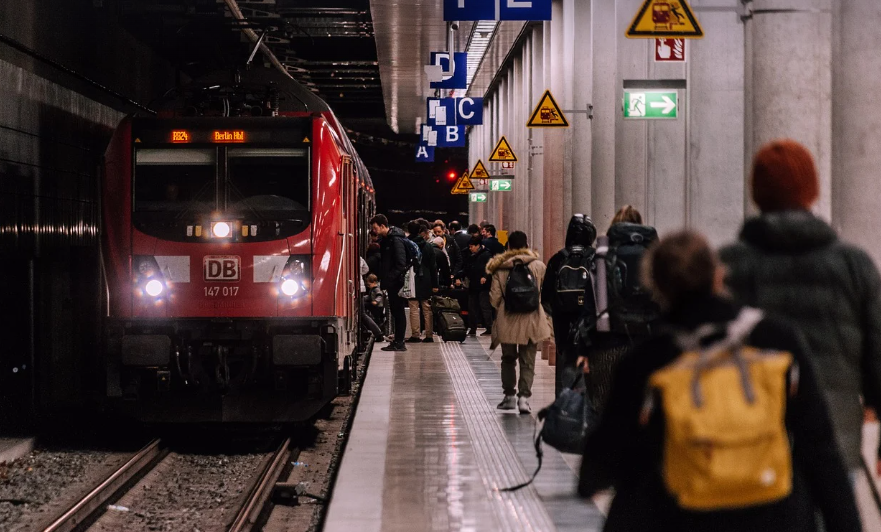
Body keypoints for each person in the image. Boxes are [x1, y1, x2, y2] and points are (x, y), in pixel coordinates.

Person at [579, 230, 861, 532]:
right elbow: (820, 448)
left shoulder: (647, 360)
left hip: (680, 516)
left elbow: (605, 458)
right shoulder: (776, 339)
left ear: (656, 286)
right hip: (775, 515)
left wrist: (590, 481)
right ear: (718, 275)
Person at [720, 139, 881, 481]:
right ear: (812, 192)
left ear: (757, 193)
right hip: (834, 443)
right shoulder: (854, 265)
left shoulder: (730, 266)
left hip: (748, 442)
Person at [576, 205, 655, 416]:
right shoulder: (655, 257)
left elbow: (591, 306)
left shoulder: (602, 257)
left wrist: (583, 350)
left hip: (607, 345)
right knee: (643, 411)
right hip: (648, 347)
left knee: (604, 411)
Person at [487, 230, 552, 414]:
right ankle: (524, 399)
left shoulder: (500, 268)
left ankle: (509, 397)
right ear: (526, 245)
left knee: (508, 359)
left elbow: (494, 298)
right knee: (528, 360)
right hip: (532, 319)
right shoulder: (538, 266)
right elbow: (544, 294)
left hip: (507, 320)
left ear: (508, 246)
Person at [542, 214, 598, 396]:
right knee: (591, 368)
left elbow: (546, 297)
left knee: (566, 365)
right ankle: (586, 410)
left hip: (563, 325)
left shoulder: (558, 259)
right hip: (591, 325)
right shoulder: (596, 259)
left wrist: (559, 313)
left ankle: (565, 409)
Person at [370, 214, 409, 351]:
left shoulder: (395, 240)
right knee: (396, 311)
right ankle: (398, 341)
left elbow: (400, 263)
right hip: (392, 282)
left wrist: (390, 279)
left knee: (398, 312)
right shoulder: (387, 240)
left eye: (375, 228)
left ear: (382, 226)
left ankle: (400, 343)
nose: (374, 231)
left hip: (396, 282)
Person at [406, 221, 438, 343]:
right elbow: (433, 267)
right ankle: (429, 335)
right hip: (426, 279)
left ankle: (415, 335)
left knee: (413, 307)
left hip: (411, 279)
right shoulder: (428, 246)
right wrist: (435, 284)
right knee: (426, 308)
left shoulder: (406, 244)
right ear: (420, 231)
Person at [461, 236, 494, 336]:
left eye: (472, 247)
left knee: (485, 306)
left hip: (483, 286)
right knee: (472, 307)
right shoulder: (472, 255)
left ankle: (489, 327)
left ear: (478, 246)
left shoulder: (486, 254)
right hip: (473, 284)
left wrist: (485, 276)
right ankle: (472, 328)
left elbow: (491, 267)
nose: (470, 249)